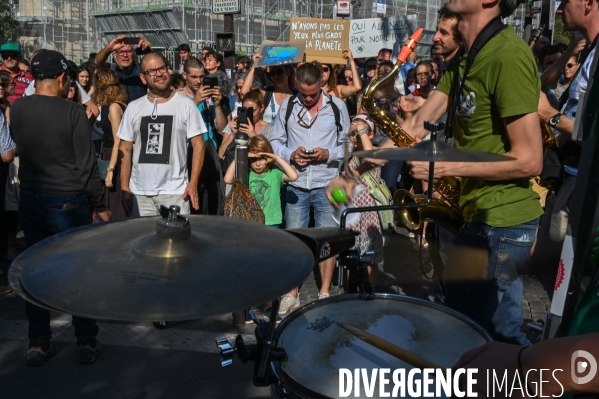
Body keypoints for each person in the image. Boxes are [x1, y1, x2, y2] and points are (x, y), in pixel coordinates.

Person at [329, 0, 544, 346]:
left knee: (493, 337)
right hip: (477, 216)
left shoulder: (509, 54)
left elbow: (530, 159)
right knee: (467, 330)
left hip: (503, 222)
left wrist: (446, 165)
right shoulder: (466, 59)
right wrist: (355, 169)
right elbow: (412, 128)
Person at [11, 50, 111, 365]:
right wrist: (101, 204)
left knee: (35, 271)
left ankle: (38, 342)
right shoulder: (72, 113)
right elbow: (86, 166)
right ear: (63, 78)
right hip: (68, 200)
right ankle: (85, 339)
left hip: (31, 197)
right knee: (78, 272)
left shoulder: (19, 107)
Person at [270, 63, 350, 313]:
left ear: (321, 87)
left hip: (327, 183)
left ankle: (324, 291)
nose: (306, 98)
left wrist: (328, 154)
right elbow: (275, 142)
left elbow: (348, 146)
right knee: (295, 238)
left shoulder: (337, 107)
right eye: (303, 93)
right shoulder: (288, 106)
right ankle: (291, 293)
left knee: (327, 239)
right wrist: (290, 155)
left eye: (312, 94)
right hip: (296, 183)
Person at [531, 0, 598, 298]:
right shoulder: (591, 50)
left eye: (565, 2)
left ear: (589, 3)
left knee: (570, 278)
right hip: (572, 176)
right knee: (552, 266)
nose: (558, 10)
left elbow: (593, 130)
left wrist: (550, 116)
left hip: (587, 181)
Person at [118, 53, 207, 217]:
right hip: (139, 193)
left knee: (176, 241)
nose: (158, 73)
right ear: (143, 78)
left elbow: (199, 145)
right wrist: (124, 187)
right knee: (143, 242)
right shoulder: (133, 107)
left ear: (169, 70)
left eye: (162, 68)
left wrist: (193, 183)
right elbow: (125, 149)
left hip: (175, 192)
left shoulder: (186, 104)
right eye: (151, 71)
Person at [179, 58, 228, 215]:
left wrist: (218, 105)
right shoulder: (177, 98)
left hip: (210, 153)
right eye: (194, 77)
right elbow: (178, 126)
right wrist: (195, 101)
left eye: (201, 76)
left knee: (212, 205)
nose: (199, 81)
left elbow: (221, 129)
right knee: (192, 205)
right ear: (184, 75)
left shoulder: (208, 98)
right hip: (188, 154)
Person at [345, 115, 386, 288]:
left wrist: (361, 130)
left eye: (359, 133)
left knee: (371, 258)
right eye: (353, 133)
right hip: (353, 213)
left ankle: (371, 291)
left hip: (370, 213)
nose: (355, 137)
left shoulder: (375, 152)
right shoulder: (350, 154)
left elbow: (369, 157)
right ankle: (351, 291)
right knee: (350, 257)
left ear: (371, 134)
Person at [224, 135, 298, 227]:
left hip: (271, 222)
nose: (258, 164)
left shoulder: (275, 173)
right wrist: (240, 156)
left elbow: (294, 176)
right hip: (251, 221)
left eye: (262, 158)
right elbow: (227, 179)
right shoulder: (246, 173)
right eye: (253, 159)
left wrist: (276, 158)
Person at [92, 69, 129, 220]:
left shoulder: (114, 107)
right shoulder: (120, 104)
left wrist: (111, 169)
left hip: (115, 156)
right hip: (115, 154)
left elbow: (117, 141)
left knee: (114, 204)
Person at [95, 34, 152, 102]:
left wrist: (148, 51)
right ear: (114, 54)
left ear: (133, 53)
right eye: (121, 52)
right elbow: (98, 62)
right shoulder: (109, 71)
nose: (125, 55)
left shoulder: (142, 70)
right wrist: (108, 49)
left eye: (128, 51)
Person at [241, 55, 295, 123]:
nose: (276, 76)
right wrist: (255, 66)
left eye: (279, 72)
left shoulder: (296, 95)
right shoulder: (266, 94)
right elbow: (245, 92)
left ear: (288, 72)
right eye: (272, 73)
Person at [432, 4, 463, 79]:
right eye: (437, 30)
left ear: (461, 38)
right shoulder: (446, 69)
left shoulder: (461, 73)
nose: (435, 38)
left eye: (444, 33)